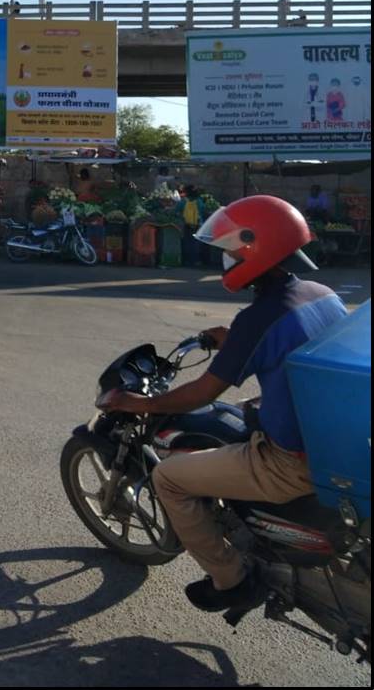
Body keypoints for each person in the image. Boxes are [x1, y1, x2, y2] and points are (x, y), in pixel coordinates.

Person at [101, 195, 347, 613]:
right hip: (332, 436)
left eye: (232, 248)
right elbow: (289, 345)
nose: (227, 258)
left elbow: (202, 393)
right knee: (237, 415)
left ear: (257, 247)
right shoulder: (319, 293)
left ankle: (231, 580)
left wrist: (140, 401)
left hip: (292, 462)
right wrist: (228, 340)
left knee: (170, 480)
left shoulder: (260, 318)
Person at [177, 185, 207, 266]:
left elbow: (177, 210)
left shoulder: (183, 201)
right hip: (197, 224)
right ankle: (196, 260)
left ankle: (187, 260)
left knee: (187, 241)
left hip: (186, 224)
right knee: (196, 243)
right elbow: (203, 210)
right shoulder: (199, 201)